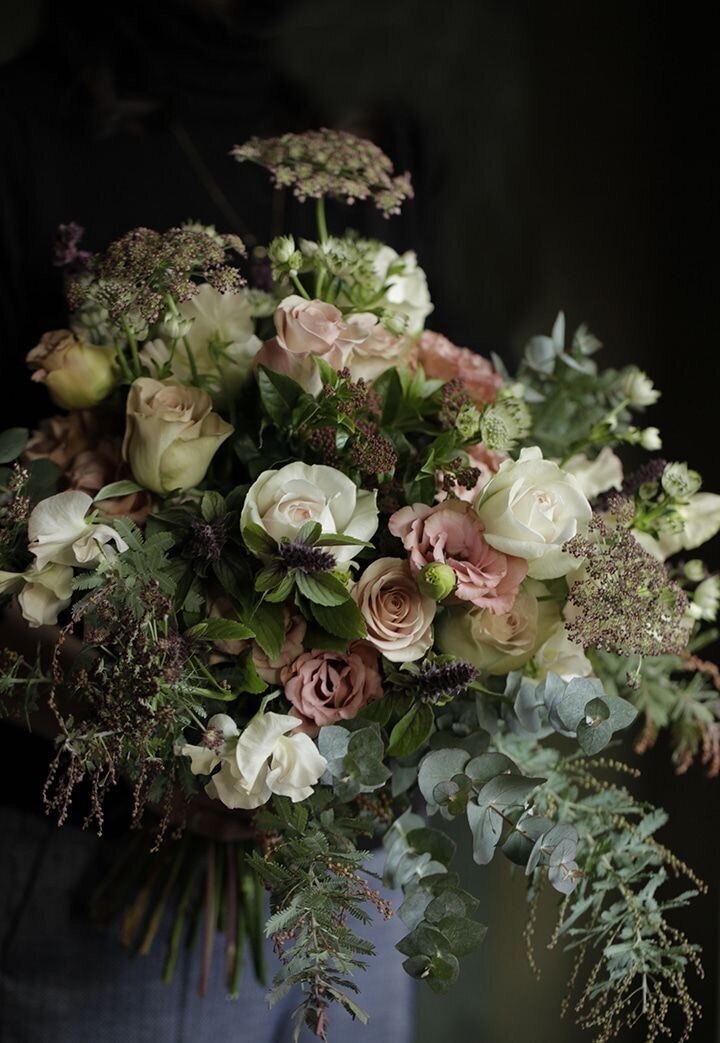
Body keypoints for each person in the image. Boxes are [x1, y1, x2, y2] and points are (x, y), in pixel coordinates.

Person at [0, 4, 417, 1040]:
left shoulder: (342, 144)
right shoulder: (19, 136)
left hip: (346, 883)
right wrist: (104, 705)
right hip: (92, 859)